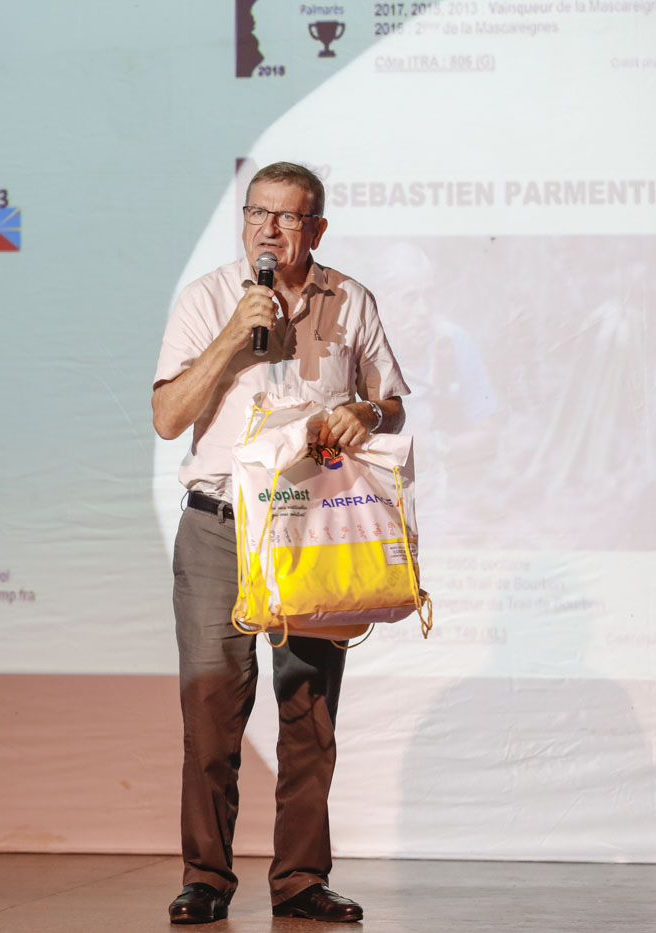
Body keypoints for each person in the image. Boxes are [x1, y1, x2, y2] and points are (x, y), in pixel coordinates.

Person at [152, 162, 409, 924]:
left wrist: (367, 412)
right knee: (211, 710)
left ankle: (300, 877)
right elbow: (167, 417)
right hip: (221, 525)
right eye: (256, 213)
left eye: (287, 217)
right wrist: (234, 338)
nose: (267, 229)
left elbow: (392, 403)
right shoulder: (207, 300)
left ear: (315, 228)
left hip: (312, 529)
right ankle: (205, 877)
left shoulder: (351, 299)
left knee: (309, 712)